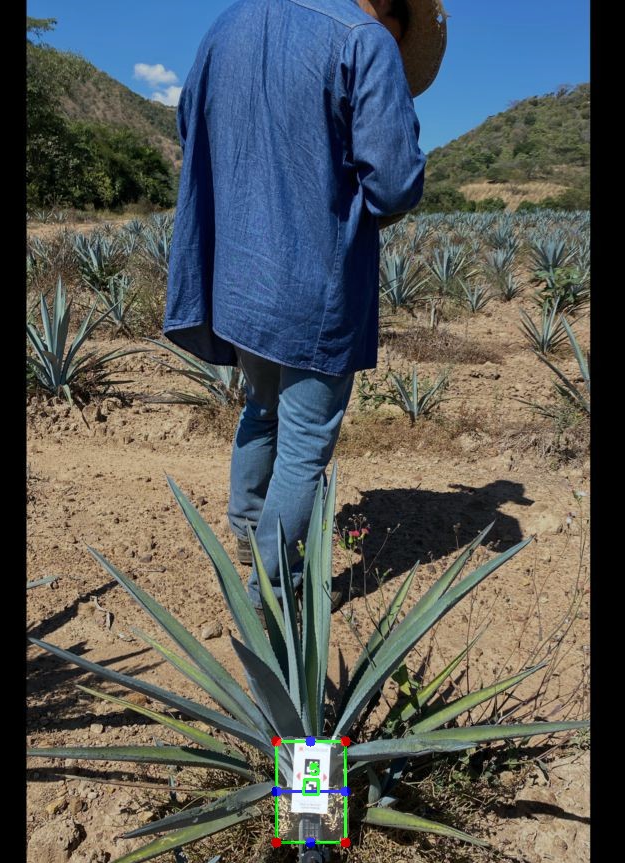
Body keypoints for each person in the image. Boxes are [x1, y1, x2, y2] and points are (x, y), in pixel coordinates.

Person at [163, 0, 447, 612]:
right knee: (305, 442)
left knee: (261, 407)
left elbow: (190, 125)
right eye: (398, 34)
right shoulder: (364, 39)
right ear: (389, 9)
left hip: (238, 276)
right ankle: (271, 598)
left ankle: (247, 535)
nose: (395, 46)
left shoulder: (225, 25)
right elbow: (395, 182)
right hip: (315, 282)